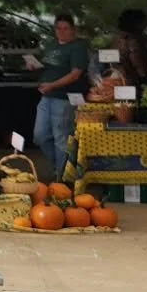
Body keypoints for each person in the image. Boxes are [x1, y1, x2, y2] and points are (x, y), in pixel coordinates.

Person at [33, 11, 90, 180]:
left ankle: (63, 177)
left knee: (61, 137)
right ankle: (61, 167)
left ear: (73, 30)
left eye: (66, 28)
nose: (62, 32)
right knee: (40, 135)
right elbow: (48, 66)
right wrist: (34, 66)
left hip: (63, 98)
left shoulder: (78, 47)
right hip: (46, 96)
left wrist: (53, 85)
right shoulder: (51, 45)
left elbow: (75, 74)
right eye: (59, 28)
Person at [116, 8, 147, 89]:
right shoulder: (131, 40)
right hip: (129, 80)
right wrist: (144, 78)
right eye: (143, 23)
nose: (145, 26)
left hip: (118, 79)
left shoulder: (117, 38)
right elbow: (136, 63)